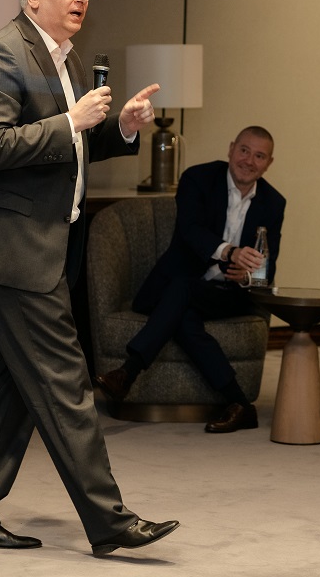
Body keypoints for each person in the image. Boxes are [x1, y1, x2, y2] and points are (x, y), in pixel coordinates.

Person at [0, 0, 179, 557]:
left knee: (12, 390)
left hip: (45, 248)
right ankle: (110, 522)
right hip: (11, 250)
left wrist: (120, 128)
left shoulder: (62, 58)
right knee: (66, 382)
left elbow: (68, 149)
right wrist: (71, 121)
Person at [95, 126, 285, 433]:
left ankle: (128, 372)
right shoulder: (198, 179)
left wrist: (248, 275)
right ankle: (240, 403)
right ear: (231, 149)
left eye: (259, 156)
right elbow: (190, 231)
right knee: (183, 312)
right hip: (181, 283)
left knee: (181, 295)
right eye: (244, 150)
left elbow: (268, 264)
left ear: (269, 163)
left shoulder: (274, 203)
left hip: (227, 294)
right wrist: (230, 252)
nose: (249, 161)